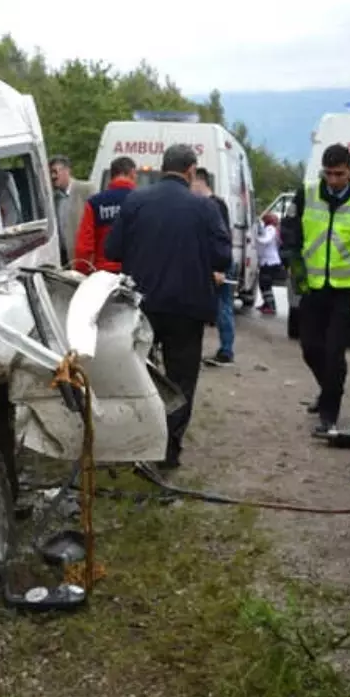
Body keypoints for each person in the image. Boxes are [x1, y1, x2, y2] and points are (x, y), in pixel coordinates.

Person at [104, 144, 231, 469]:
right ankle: (168, 450)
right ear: (191, 171)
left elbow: (113, 248)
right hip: (187, 309)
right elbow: (223, 257)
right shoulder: (205, 208)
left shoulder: (136, 201)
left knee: (137, 373)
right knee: (181, 380)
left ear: (163, 168)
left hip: (141, 305)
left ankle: (133, 442)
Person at [280, 143, 350, 434]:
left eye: (339, 174)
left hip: (346, 290)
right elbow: (290, 235)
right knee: (309, 348)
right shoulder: (308, 193)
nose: (333, 180)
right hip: (313, 287)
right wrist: (294, 266)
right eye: (328, 174)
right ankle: (327, 389)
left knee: (334, 352)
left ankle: (329, 412)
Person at [193, 167, 236, 365]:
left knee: (222, 307)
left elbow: (220, 238)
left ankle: (226, 352)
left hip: (218, 264)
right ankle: (225, 349)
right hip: (217, 262)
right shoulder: (216, 204)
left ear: (200, 182)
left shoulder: (213, 205)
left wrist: (217, 268)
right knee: (221, 307)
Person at [74, 156, 136, 274]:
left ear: (111, 176)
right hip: (133, 272)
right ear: (132, 173)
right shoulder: (141, 202)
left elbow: (84, 247)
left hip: (103, 273)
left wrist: (81, 272)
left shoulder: (95, 203)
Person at [50, 155, 97, 267]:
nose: (53, 176)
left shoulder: (86, 189)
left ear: (67, 170)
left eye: (55, 171)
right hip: (62, 256)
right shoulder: (54, 198)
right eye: (51, 172)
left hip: (84, 257)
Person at [255, 212, 283, 315]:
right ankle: (266, 304)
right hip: (269, 261)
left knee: (265, 284)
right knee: (264, 284)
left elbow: (265, 240)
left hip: (269, 262)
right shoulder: (272, 229)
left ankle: (271, 306)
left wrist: (256, 238)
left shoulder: (270, 229)